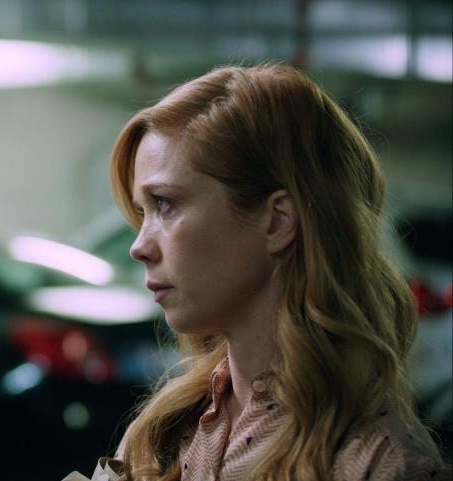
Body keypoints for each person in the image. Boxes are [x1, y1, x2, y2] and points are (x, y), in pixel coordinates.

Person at [100, 63, 451, 480]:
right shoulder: (160, 434)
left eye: (165, 204)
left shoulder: (378, 466)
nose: (139, 246)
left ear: (278, 221)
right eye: (143, 211)